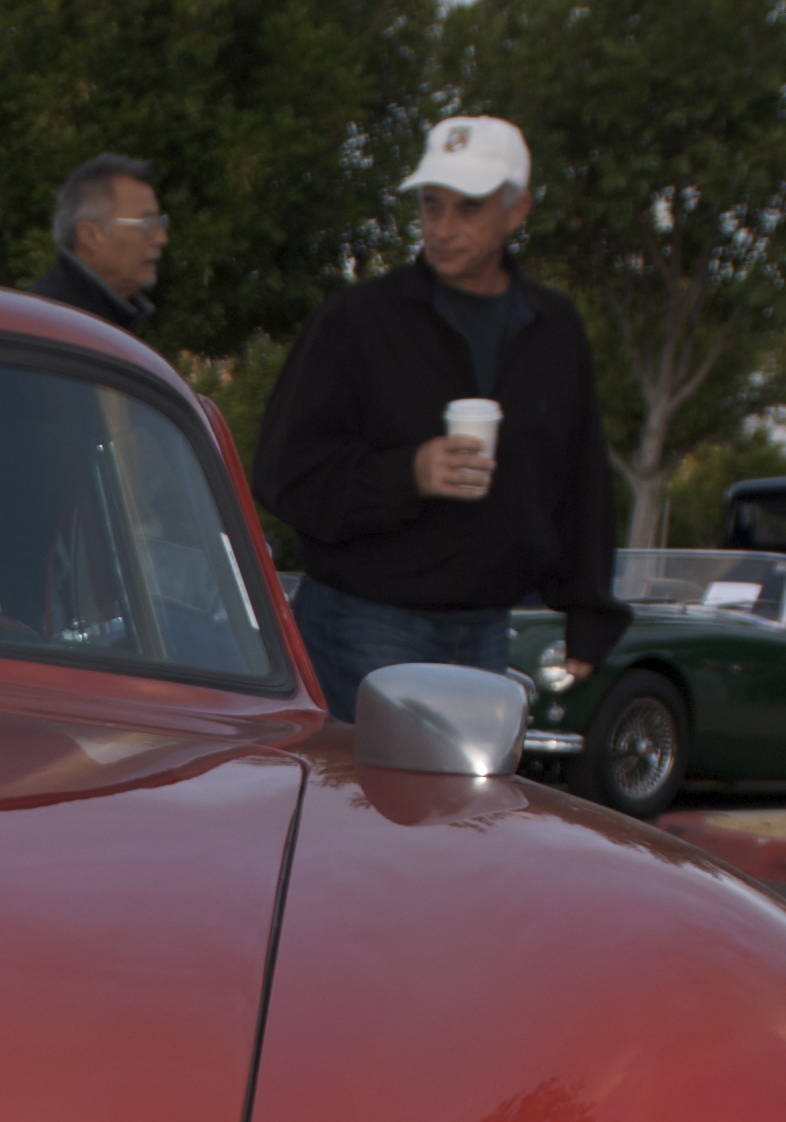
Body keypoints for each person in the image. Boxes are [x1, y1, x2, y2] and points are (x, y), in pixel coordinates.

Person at [253, 115, 625, 709]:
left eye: (468, 208)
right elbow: (283, 473)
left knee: (462, 777)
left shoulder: (554, 328)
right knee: (375, 775)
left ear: (518, 210)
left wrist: (589, 611)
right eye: (431, 205)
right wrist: (409, 473)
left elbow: (582, 481)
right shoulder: (357, 320)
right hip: (363, 620)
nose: (443, 228)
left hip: (487, 628)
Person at [28, 155, 165, 337]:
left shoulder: (97, 319)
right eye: (146, 223)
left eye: (159, 223)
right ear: (91, 236)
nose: (161, 238)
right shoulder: (54, 326)